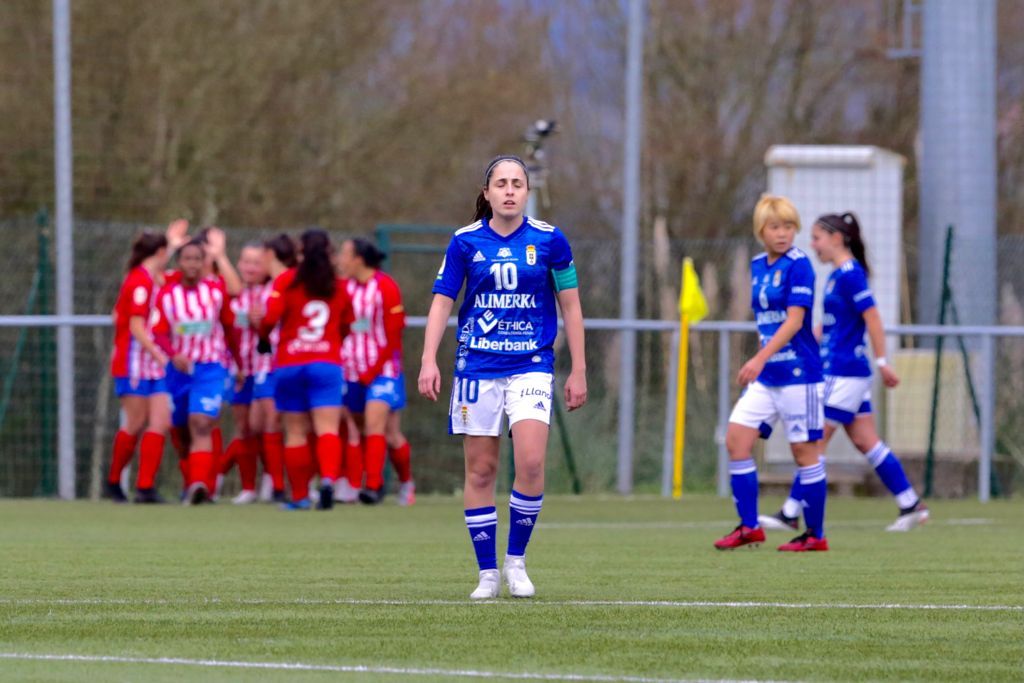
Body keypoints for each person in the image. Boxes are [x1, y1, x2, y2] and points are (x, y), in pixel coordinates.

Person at [418, 155, 587, 599]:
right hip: (476, 368)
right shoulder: (464, 242)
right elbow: (441, 302)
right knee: (481, 470)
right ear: (487, 192)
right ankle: (487, 573)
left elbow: (570, 306)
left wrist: (579, 369)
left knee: (531, 462)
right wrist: (428, 359)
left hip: (531, 364)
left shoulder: (551, 240)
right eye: (501, 183)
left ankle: (516, 562)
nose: (510, 190)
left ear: (527, 193)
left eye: (517, 183)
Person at [759, 212, 929, 533]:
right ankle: (910, 504)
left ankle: (790, 512)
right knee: (867, 442)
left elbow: (873, 319)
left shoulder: (851, 274)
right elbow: (832, 326)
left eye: (817, 238)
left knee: (813, 442)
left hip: (845, 372)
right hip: (840, 371)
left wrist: (882, 362)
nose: (813, 246)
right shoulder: (837, 275)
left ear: (836, 238)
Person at [715, 194, 828, 552]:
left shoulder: (800, 265)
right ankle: (750, 527)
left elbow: (795, 321)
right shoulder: (758, 264)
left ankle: (815, 536)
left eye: (789, 226)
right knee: (736, 440)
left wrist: (759, 357)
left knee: (804, 454)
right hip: (769, 378)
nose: (783, 234)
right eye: (775, 227)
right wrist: (763, 361)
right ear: (761, 230)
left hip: (799, 375)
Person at [253, 229, 353, 511]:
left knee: (295, 432)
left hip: (291, 363)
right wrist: (331, 343)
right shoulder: (339, 284)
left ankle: (298, 496)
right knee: (327, 429)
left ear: (300, 253)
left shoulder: (286, 280)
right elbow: (348, 324)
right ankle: (329, 482)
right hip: (326, 364)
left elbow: (270, 318)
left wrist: (262, 335)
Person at [153, 238, 234, 505]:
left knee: (201, 423)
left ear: (204, 263)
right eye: (187, 258)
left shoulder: (215, 290)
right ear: (179, 263)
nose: (192, 264)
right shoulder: (167, 294)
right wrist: (173, 354)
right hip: (178, 372)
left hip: (210, 367)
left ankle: (200, 485)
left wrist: (237, 364)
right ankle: (192, 482)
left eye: (197, 259)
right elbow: (159, 332)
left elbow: (229, 327)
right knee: (181, 431)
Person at [106, 225, 183, 503]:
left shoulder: (152, 277)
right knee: (135, 422)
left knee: (160, 421)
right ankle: (114, 481)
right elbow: (136, 326)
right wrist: (158, 353)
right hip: (134, 362)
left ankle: (145, 487)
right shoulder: (139, 281)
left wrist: (172, 244)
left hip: (151, 364)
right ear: (159, 252)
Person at [337, 237, 414, 506]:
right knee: (382, 433)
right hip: (351, 372)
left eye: (344, 254)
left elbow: (394, 334)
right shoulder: (343, 287)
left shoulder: (385, 286)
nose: (340, 260)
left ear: (358, 259)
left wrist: (375, 368)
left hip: (383, 371)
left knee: (374, 425)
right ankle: (368, 483)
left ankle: (374, 486)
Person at [220, 242, 274, 504]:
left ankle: (272, 480)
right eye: (246, 262)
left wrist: (261, 323)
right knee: (244, 428)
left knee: (264, 426)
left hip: (265, 368)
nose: (251, 268)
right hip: (238, 371)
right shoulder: (232, 293)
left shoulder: (271, 292)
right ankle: (248, 486)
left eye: (257, 262)